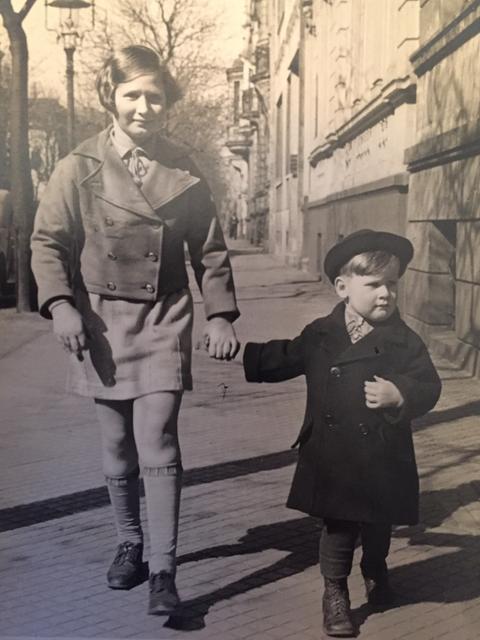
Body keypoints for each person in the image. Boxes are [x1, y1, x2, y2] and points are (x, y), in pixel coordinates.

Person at [31, 45, 240, 616]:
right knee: (117, 445)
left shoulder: (185, 165)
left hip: (165, 315)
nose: (144, 107)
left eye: (155, 95)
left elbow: (210, 249)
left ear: (167, 99)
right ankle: (130, 542)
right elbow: (48, 243)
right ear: (111, 97)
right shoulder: (77, 165)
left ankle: (164, 572)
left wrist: (220, 313)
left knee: (159, 438)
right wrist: (61, 306)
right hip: (100, 320)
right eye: (132, 95)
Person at [243, 229, 441, 637]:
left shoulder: (405, 340)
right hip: (334, 455)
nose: (386, 293)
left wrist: (401, 393)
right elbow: (285, 357)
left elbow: (430, 384)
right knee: (339, 527)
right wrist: (242, 353)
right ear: (342, 287)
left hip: (384, 451)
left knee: (379, 523)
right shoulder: (320, 334)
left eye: (393, 284)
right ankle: (335, 593)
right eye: (374, 284)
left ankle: (375, 568)